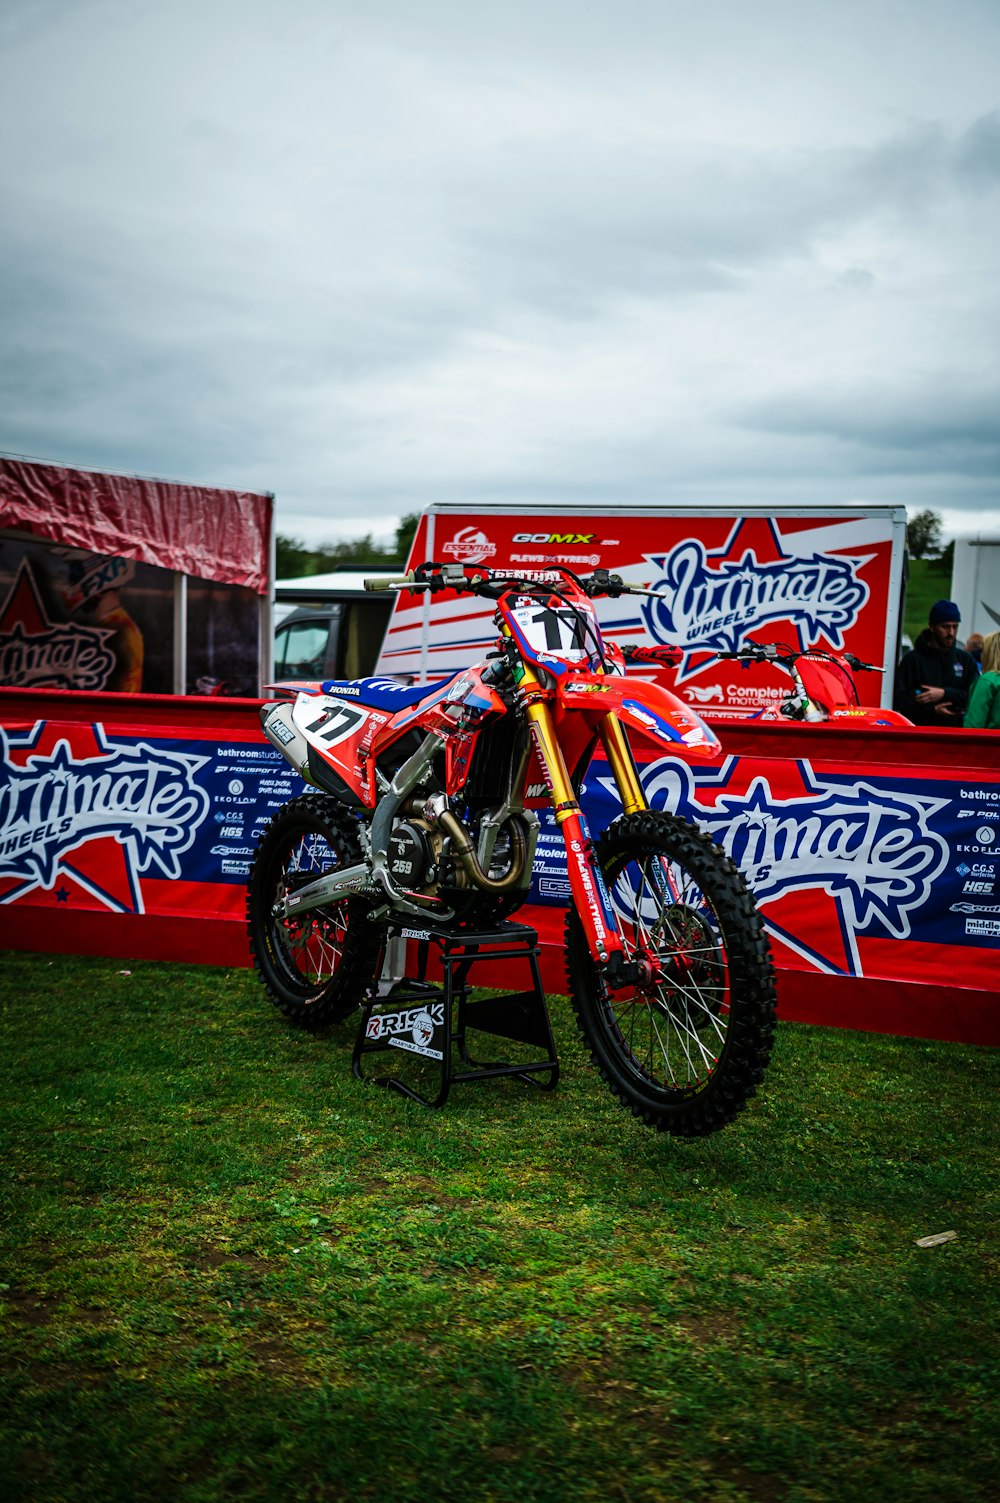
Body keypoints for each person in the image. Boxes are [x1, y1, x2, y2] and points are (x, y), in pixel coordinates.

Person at [894, 600, 978, 726]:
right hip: (921, 735)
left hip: (957, 735)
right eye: (945, 627)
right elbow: (900, 702)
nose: (951, 633)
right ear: (932, 626)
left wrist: (945, 693)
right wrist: (932, 710)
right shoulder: (912, 660)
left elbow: (976, 698)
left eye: (955, 627)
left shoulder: (965, 660)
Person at [964, 631, 1000, 728]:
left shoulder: (987, 682)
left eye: (982, 650)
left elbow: (973, 726)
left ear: (989, 653)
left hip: (991, 742)